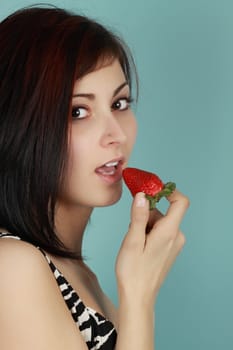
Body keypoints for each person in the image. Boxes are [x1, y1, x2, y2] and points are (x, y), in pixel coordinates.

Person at [0, 6, 189, 350]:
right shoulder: (11, 267)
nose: (116, 134)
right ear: (19, 126)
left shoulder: (82, 277)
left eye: (119, 103)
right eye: (78, 112)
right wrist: (139, 295)